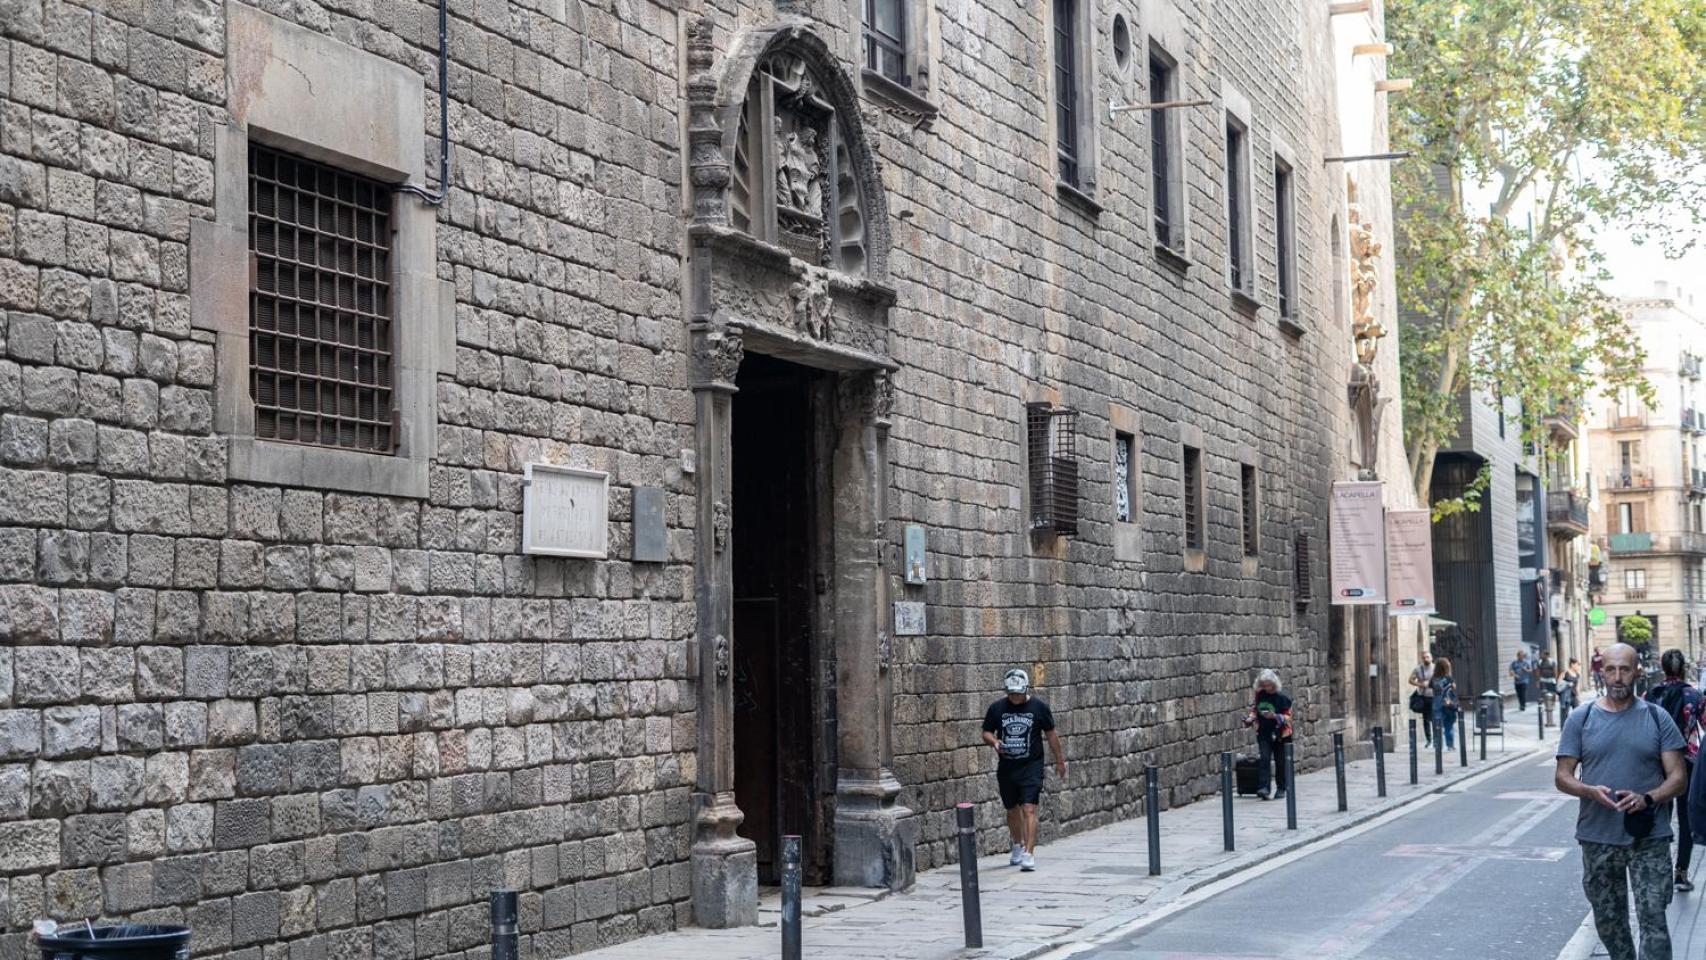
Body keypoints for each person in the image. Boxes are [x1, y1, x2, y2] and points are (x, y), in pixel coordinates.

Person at [1555, 643, 1688, 960]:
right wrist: (1588, 791)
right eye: (1611, 670)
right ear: (1602, 672)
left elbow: (1678, 778)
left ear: (1637, 673)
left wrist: (1649, 797)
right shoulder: (1581, 718)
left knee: (1654, 920)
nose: (1617, 677)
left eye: (1624, 669)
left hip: (1649, 837)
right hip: (1598, 838)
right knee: (1610, 923)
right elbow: (1562, 776)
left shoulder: (1657, 719)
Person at [981, 668, 1065, 872]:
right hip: (1008, 767)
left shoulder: (1039, 707)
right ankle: (1017, 845)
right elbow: (985, 732)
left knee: (1029, 808)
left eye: (1018, 693)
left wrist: (1060, 761)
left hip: (1031, 766)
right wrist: (995, 742)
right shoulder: (997, 708)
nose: (1015, 697)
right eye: (1011, 694)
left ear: (1025, 689)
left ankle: (1029, 853)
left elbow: (1051, 735)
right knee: (1012, 809)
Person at [1644, 650, 1702, 892]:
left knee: (1660, 816)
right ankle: (1681, 873)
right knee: (1686, 819)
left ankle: (1661, 871)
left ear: (1663, 667)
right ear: (1683, 667)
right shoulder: (1694, 694)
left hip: (1657, 763)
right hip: (1687, 761)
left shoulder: (1650, 694)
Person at [1242, 669, 1294, 801]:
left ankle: (1281, 788)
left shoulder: (1283, 697)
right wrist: (1250, 719)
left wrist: (1275, 716)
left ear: (1274, 683)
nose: (1266, 688)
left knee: (1280, 761)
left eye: (1268, 685)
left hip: (1281, 733)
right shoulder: (1260, 694)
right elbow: (1255, 709)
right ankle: (1264, 788)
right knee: (1264, 758)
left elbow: (1288, 718)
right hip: (1264, 732)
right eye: (1263, 685)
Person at [1432, 657, 1460, 750]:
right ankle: (1450, 745)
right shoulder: (1448, 678)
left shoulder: (1434, 678)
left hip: (1437, 702)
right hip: (1447, 703)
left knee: (1437, 724)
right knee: (1449, 724)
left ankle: (1438, 744)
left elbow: (1430, 687)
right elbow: (1454, 688)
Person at [1409, 650, 1436, 746]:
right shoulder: (1418, 669)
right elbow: (1410, 680)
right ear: (1422, 658)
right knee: (1426, 719)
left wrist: (1432, 684)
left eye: (1427, 657)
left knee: (1434, 718)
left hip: (1433, 696)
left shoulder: (1435, 668)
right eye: (1424, 657)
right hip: (1423, 696)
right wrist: (1420, 684)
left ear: (1431, 657)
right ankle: (1429, 739)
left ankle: (1436, 739)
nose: (1426, 659)